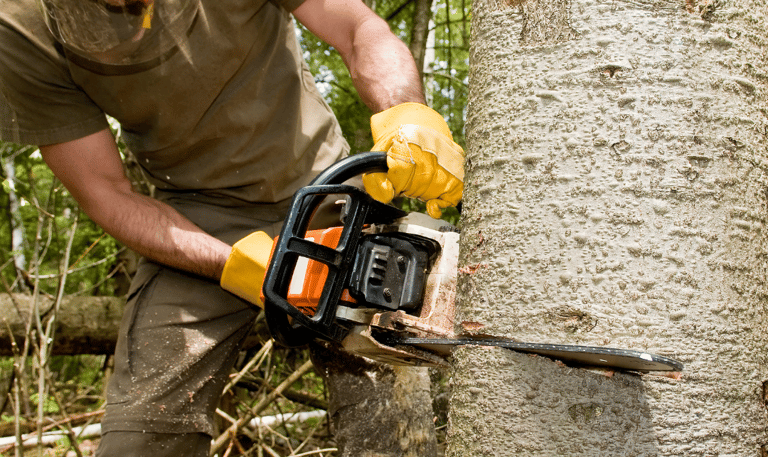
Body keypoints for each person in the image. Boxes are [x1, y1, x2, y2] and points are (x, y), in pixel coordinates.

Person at [0, 0, 464, 455]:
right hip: (195, 218)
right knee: (144, 432)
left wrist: (408, 114)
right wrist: (235, 265)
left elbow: (354, 25)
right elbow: (105, 193)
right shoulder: (18, 26)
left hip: (327, 195)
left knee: (391, 410)